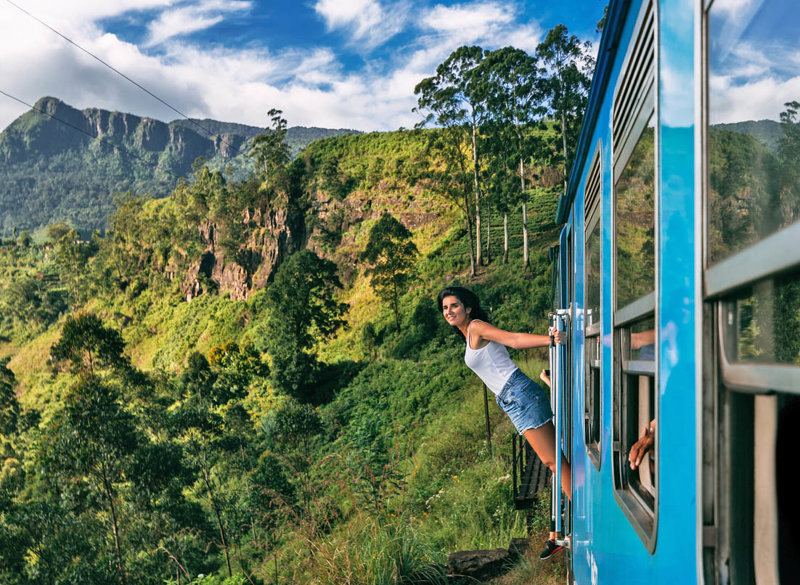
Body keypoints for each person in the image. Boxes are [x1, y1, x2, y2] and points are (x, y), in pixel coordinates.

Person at [437, 286, 571, 560]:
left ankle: (582, 517)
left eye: (454, 306)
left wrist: (550, 339)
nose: (449, 311)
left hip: (518, 394)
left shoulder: (476, 327)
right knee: (555, 459)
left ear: (468, 308)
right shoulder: (468, 334)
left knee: (553, 461)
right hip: (513, 399)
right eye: (445, 308)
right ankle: (558, 531)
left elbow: (514, 340)